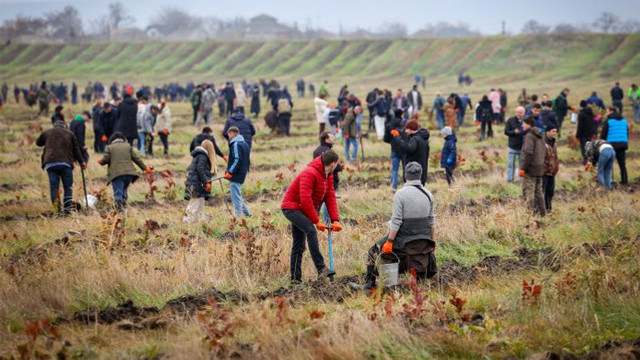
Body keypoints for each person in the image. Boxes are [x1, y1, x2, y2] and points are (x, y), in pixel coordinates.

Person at [348, 162, 436, 290]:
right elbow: (431, 221)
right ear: (420, 175)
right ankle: (419, 282)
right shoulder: (429, 195)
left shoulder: (400, 194)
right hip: (423, 242)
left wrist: (389, 241)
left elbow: (396, 221)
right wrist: (431, 241)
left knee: (373, 250)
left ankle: (370, 284)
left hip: (403, 243)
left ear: (405, 175)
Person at [281, 150, 342, 283]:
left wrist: (335, 219)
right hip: (291, 207)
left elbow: (330, 196)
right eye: (337, 163)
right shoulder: (310, 173)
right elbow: (305, 200)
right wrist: (316, 221)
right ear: (332, 164)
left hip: (303, 209)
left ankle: (295, 279)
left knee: (299, 244)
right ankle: (321, 268)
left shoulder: (328, 175)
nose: (338, 166)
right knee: (311, 231)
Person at [36, 121, 85, 215]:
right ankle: (67, 209)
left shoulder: (47, 132)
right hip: (65, 164)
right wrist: (81, 162)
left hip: (50, 164)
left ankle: (57, 210)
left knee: (54, 188)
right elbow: (76, 149)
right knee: (68, 187)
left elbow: (38, 143)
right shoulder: (69, 133)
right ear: (65, 126)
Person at [98, 132, 150, 211]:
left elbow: (105, 160)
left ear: (112, 140)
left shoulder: (110, 147)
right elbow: (136, 159)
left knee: (118, 192)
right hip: (129, 174)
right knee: (124, 189)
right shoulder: (128, 146)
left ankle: (119, 208)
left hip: (117, 174)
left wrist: (100, 161)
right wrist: (145, 168)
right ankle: (124, 204)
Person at [519, 116, 546, 217]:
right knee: (538, 191)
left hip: (530, 168)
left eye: (524, 123)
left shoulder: (529, 136)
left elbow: (528, 153)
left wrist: (523, 168)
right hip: (539, 167)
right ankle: (542, 213)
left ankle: (530, 214)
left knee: (528, 190)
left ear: (528, 124)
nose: (522, 125)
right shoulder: (540, 135)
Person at [183, 140, 216, 222]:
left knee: (200, 203)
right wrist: (206, 182)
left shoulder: (199, 156)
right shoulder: (202, 156)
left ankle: (199, 220)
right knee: (194, 203)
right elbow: (200, 169)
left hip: (197, 183)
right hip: (197, 184)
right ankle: (187, 221)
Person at [391, 120, 430, 185]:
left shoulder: (415, 139)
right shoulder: (424, 139)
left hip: (414, 172)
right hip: (422, 172)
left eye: (407, 129)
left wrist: (397, 138)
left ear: (411, 129)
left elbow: (409, 148)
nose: (405, 131)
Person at [224, 127, 251, 218]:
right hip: (242, 173)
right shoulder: (245, 144)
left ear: (232, 133)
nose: (229, 137)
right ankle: (247, 214)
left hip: (236, 174)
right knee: (237, 194)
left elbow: (237, 159)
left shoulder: (235, 144)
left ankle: (240, 218)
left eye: (229, 135)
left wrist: (230, 172)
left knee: (235, 196)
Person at [600, 106, 629, 185]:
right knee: (622, 164)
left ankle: (609, 181)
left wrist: (602, 142)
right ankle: (624, 180)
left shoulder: (609, 121)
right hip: (623, 143)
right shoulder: (624, 121)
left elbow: (603, 134)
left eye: (607, 111)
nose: (606, 113)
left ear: (611, 111)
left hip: (611, 145)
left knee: (609, 164)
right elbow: (626, 132)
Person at [384, 109, 405, 190]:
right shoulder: (404, 124)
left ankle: (393, 186)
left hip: (394, 148)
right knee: (405, 168)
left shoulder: (390, 124)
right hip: (403, 148)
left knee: (395, 169)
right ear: (401, 115)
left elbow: (386, 138)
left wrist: (392, 141)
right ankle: (406, 185)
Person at [505, 106, 525, 183]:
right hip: (512, 146)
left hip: (522, 147)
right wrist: (514, 132)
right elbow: (506, 131)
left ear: (524, 113)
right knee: (510, 164)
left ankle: (521, 180)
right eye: (517, 112)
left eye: (520, 113)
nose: (518, 114)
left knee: (522, 165)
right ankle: (510, 180)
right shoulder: (510, 120)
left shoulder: (526, 121)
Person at [542, 124, 559, 212]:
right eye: (553, 131)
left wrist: (556, 168)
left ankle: (549, 209)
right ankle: (542, 210)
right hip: (543, 172)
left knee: (550, 193)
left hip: (552, 172)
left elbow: (555, 157)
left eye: (556, 131)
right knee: (542, 192)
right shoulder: (541, 142)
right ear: (547, 131)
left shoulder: (554, 143)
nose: (555, 133)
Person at [576, 100, 597, 165]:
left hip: (583, 134)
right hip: (591, 133)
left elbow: (580, 126)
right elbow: (593, 123)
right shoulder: (591, 113)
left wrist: (577, 135)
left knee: (584, 148)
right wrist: (594, 132)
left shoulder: (581, 114)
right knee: (590, 147)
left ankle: (585, 162)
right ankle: (591, 160)